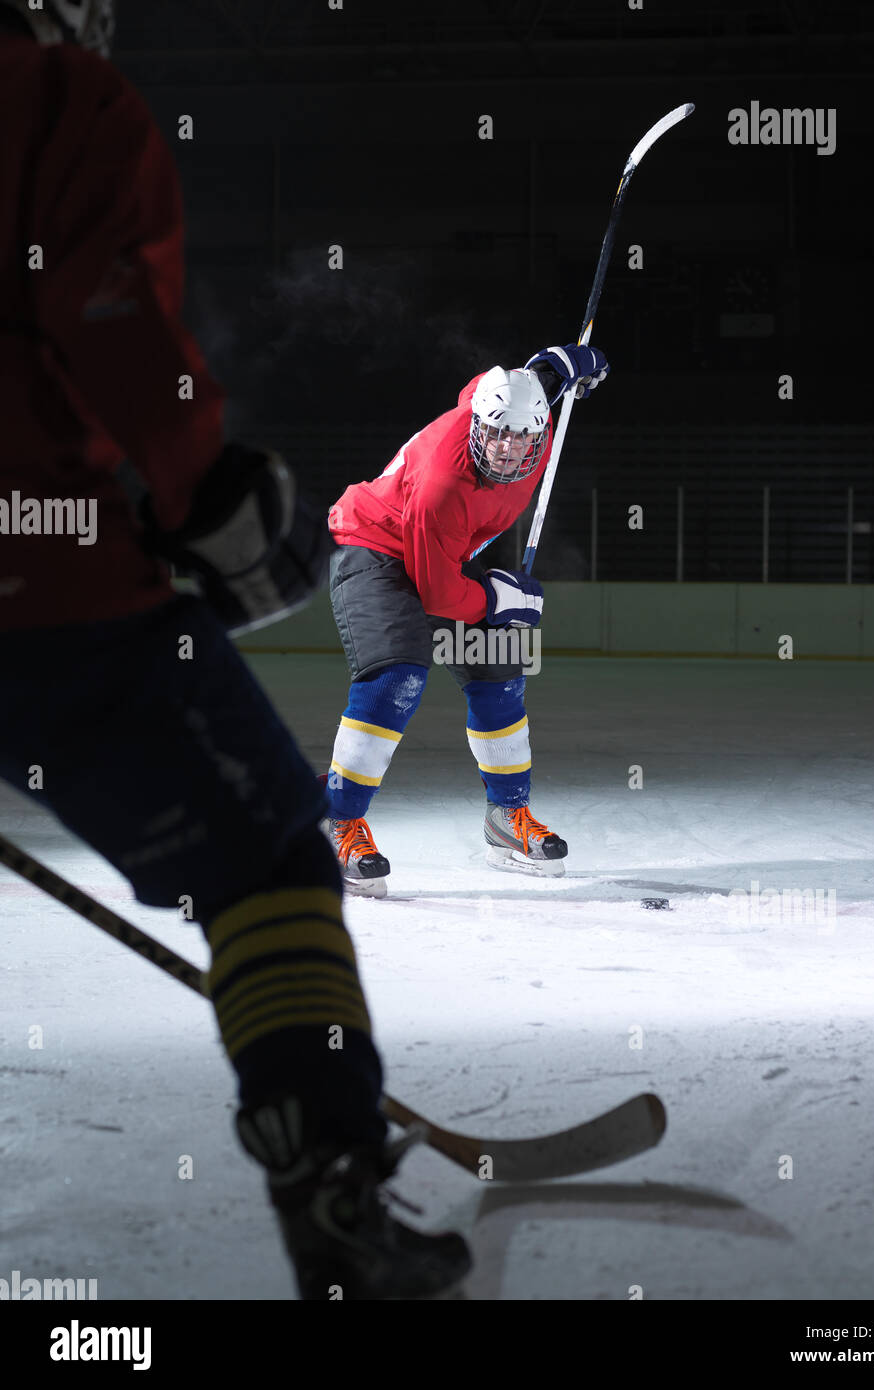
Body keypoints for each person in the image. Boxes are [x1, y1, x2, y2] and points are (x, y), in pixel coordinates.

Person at [0, 0, 469, 1300]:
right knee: (268, 858)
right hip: (43, 587)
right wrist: (202, 485)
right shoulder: (53, 96)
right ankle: (330, 1183)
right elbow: (107, 316)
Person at [323, 344, 609, 896]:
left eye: (520, 437)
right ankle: (338, 820)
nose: (506, 449)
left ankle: (507, 819)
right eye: (495, 433)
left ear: (539, 429)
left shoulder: (533, 419)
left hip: (442, 556)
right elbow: (436, 594)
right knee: (398, 675)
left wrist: (565, 364)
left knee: (501, 670)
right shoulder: (442, 484)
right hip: (374, 547)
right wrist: (499, 602)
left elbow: (531, 380)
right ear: (479, 423)